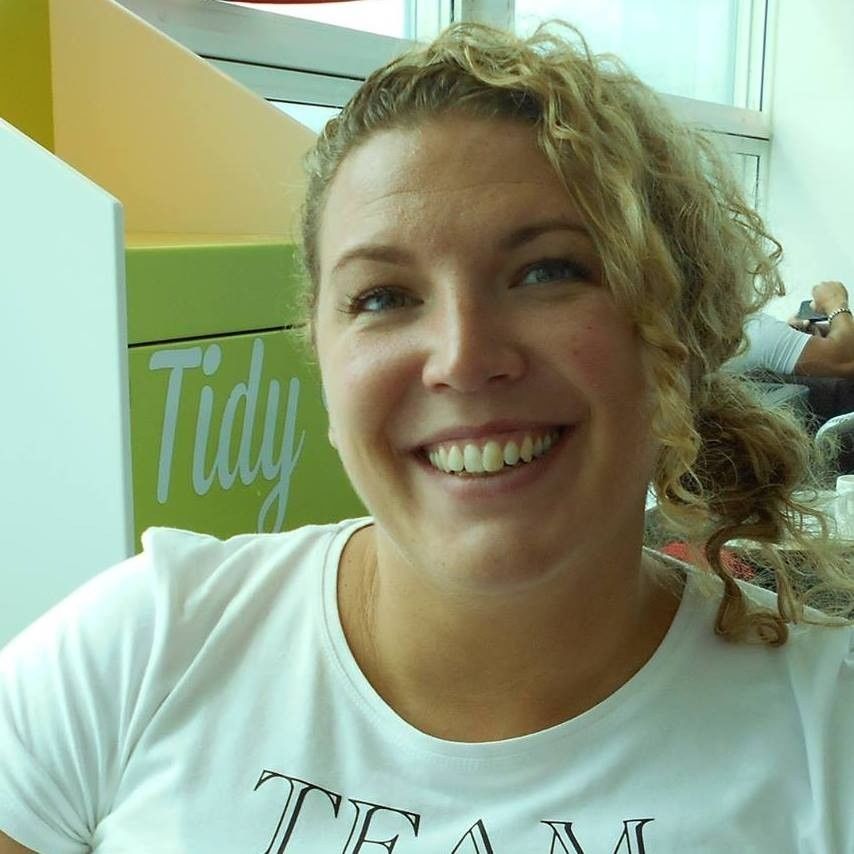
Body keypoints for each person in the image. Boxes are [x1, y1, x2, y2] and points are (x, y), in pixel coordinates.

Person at [2, 21, 853, 853]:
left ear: (681, 334)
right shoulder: (144, 647)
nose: (462, 358)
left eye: (548, 272)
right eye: (382, 296)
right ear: (322, 357)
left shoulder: (826, 739)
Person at [724, 280, 854, 377]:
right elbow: (847, 359)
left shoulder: (741, 328)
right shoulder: (755, 331)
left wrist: (792, 334)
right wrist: (834, 302)